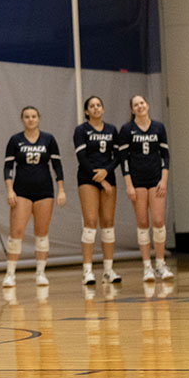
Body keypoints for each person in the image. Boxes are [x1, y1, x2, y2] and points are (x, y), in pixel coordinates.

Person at [1, 106, 66, 287]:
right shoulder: (15, 140)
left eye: (33, 116)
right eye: (27, 117)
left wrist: (61, 189)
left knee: (41, 232)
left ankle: (40, 273)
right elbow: (7, 167)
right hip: (21, 191)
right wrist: (9, 190)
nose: (30, 119)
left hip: (45, 191)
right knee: (17, 232)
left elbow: (57, 166)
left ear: (38, 118)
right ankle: (10, 273)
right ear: (22, 120)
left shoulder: (48, 139)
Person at [119, 95, 173, 282]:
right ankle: (147, 267)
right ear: (132, 110)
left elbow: (165, 155)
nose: (140, 106)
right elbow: (123, 159)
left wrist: (164, 180)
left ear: (147, 105)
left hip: (156, 179)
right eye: (136, 104)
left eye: (142, 103)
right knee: (142, 222)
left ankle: (160, 264)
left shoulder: (158, 127)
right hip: (137, 181)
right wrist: (129, 184)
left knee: (158, 221)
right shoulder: (127, 129)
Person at [74, 96, 121, 285]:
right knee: (91, 222)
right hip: (88, 178)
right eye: (91, 106)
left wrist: (106, 172)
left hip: (108, 176)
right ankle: (87, 271)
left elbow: (117, 156)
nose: (95, 108)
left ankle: (108, 270)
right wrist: (101, 181)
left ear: (102, 109)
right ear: (86, 111)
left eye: (98, 105)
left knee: (108, 222)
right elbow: (82, 158)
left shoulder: (111, 130)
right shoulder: (81, 130)